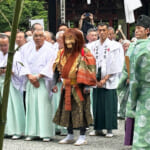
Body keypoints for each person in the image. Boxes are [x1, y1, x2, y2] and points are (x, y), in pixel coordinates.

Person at [52, 28, 96, 146]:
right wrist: (54, 83)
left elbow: (90, 68)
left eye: (71, 38)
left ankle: (82, 136)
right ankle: (70, 134)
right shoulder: (61, 52)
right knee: (67, 111)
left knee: (81, 111)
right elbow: (56, 69)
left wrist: (87, 85)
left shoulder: (84, 52)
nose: (68, 42)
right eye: (66, 38)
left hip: (80, 87)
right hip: (66, 86)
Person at [87, 23, 123, 137]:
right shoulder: (92, 46)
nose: (101, 32)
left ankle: (109, 128)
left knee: (109, 104)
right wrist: (95, 78)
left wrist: (105, 79)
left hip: (109, 79)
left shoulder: (115, 46)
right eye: (100, 30)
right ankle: (97, 128)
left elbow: (117, 64)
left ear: (108, 32)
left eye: (104, 30)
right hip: (96, 78)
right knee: (97, 104)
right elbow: (89, 62)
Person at [20, 30, 56, 142]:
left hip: (43, 81)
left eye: (41, 36)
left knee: (44, 107)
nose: (38, 38)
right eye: (36, 36)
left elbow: (51, 64)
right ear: (33, 37)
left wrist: (38, 76)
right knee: (31, 106)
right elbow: (22, 62)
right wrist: (29, 76)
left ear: (44, 38)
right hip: (30, 80)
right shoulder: (27, 48)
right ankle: (32, 132)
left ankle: (45, 133)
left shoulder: (50, 49)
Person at [124, 15, 150, 149]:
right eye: (136, 28)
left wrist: (131, 102)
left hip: (142, 91)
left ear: (147, 30)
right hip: (143, 87)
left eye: (140, 28)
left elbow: (133, 74)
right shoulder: (134, 45)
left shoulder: (141, 48)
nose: (136, 30)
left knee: (143, 128)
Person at [0, 34, 25, 140]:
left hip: (13, 82)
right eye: (1, 45)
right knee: (4, 107)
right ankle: (6, 130)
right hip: (1, 81)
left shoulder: (16, 54)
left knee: (14, 106)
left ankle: (17, 130)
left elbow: (21, 69)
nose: (3, 48)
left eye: (5, 45)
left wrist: (10, 71)